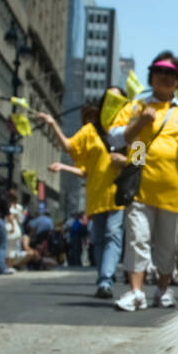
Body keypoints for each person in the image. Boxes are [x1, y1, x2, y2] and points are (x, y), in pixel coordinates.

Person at [109, 51, 178, 310]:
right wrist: (140, 122)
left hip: (174, 192)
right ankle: (136, 291)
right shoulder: (135, 107)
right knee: (137, 239)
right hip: (140, 189)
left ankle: (162, 290)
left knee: (167, 246)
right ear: (151, 76)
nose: (165, 77)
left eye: (171, 74)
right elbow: (116, 139)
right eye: (160, 72)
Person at [39, 99, 125, 299]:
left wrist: (127, 160)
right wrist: (52, 124)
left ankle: (106, 280)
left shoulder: (129, 126)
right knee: (98, 240)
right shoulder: (89, 131)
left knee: (113, 234)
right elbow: (69, 147)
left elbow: (140, 159)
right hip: (96, 194)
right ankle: (104, 279)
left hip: (120, 193)